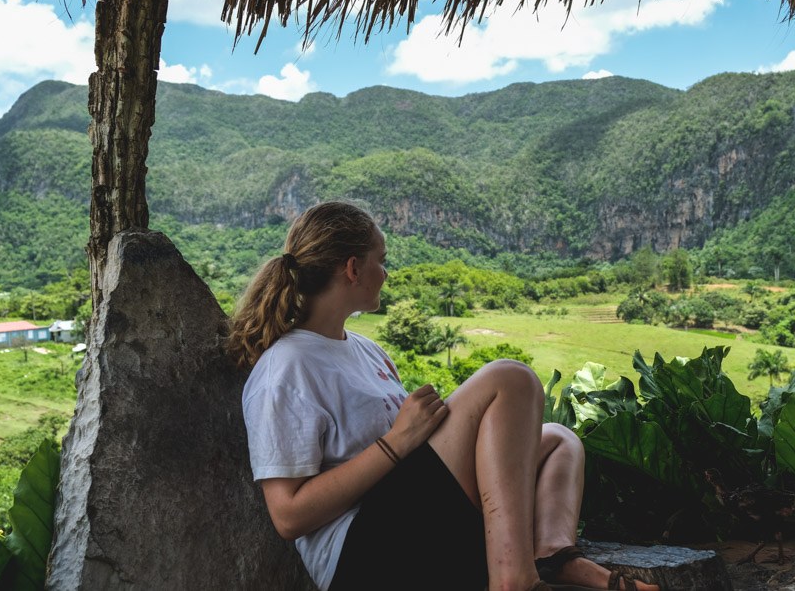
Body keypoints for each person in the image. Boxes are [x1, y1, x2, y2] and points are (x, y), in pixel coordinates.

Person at [229, 201, 657, 591]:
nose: (387, 273)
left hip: (419, 525)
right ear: (353, 269)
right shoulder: (287, 367)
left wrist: (417, 435)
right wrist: (396, 442)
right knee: (511, 378)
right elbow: (288, 517)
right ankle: (514, 579)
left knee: (559, 441)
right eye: (382, 261)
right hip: (366, 560)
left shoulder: (364, 349)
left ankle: (554, 556)